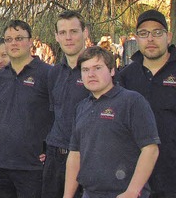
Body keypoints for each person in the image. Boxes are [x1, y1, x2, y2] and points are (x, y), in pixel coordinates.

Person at [64, 46, 159, 198]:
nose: (91, 74)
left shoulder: (132, 102)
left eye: (97, 68)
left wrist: (132, 191)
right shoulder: (81, 107)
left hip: (124, 193)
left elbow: (150, 149)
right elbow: (75, 155)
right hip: (89, 193)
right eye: (85, 70)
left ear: (112, 70)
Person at [0, 19, 53, 198]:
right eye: (8, 39)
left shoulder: (47, 74)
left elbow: (59, 114)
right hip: (1, 164)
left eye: (19, 38)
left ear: (31, 41)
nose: (13, 43)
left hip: (32, 165)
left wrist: (49, 149)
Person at [119, 9, 176, 198]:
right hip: (135, 178)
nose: (150, 39)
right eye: (143, 33)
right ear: (137, 38)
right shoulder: (126, 76)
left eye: (157, 33)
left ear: (168, 37)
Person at [42, 10, 90, 198]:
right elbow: (53, 113)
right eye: (63, 33)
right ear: (56, 36)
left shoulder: (96, 71)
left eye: (74, 31)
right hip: (55, 157)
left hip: (85, 156)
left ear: (85, 33)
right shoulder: (54, 73)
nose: (68, 38)